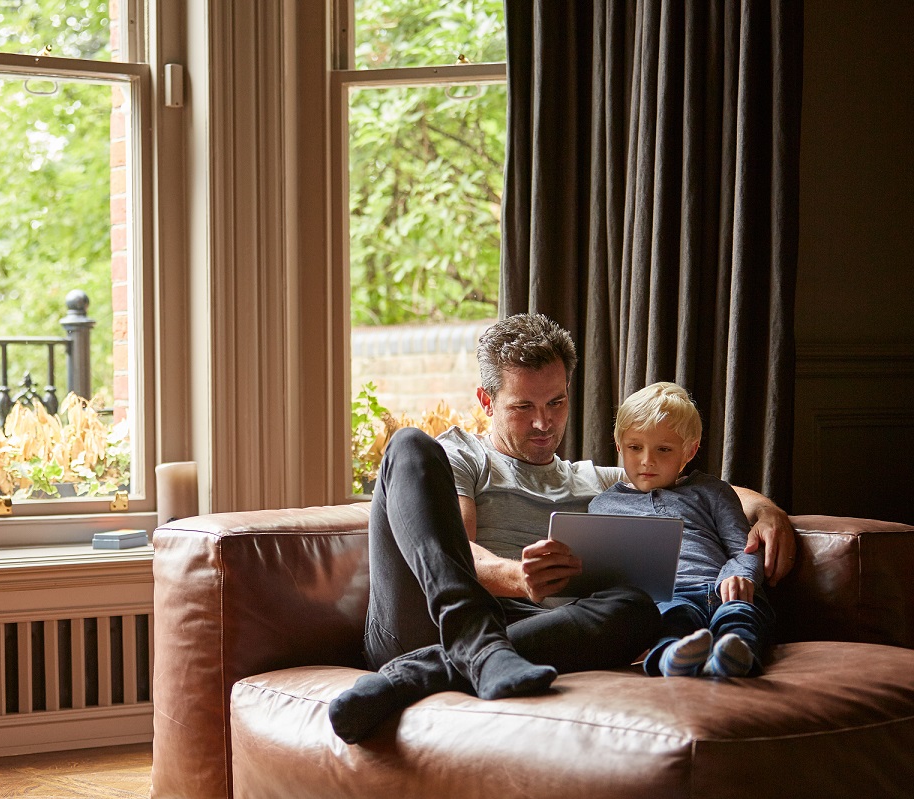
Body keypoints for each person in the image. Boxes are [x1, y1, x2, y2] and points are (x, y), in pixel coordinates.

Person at [328, 313, 796, 744]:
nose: (543, 422)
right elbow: (458, 551)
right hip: (426, 619)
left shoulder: (593, 480)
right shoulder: (464, 457)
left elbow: (704, 487)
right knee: (410, 445)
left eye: (556, 401)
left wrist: (767, 512)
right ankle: (472, 642)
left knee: (636, 609)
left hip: (529, 637)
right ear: (486, 401)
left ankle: (425, 673)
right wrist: (516, 577)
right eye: (522, 406)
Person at [589, 382, 775, 678]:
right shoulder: (603, 505)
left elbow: (743, 547)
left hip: (722, 588)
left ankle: (735, 654)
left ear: (689, 451)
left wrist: (739, 576)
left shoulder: (712, 491)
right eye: (635, 447)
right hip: (667, 597)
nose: (647, 460)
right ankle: (672, 657)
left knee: (741, 612)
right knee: (670, 617)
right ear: (619, 447)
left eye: (664, 449)